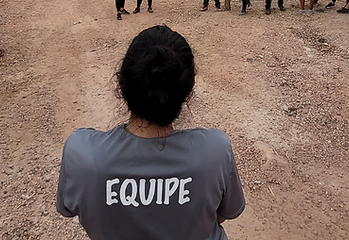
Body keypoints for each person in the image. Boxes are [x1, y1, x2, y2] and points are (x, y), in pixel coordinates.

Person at [56, 25, 245, 239]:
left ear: (122, 82)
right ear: (188, 89)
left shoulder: (81, 154)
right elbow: (221, 215)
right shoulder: (215, 151)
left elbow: (70, 209)